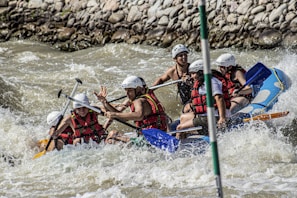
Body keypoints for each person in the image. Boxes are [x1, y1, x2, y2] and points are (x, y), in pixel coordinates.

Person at [94, 76, 168, 144]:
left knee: (112, 136)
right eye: (126, 90)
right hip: (155, 136)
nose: (127, 94)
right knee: (113, 135)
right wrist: (104, 102)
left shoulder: (140, 100)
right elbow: (122, 117)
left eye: (130, 90)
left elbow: (139, 115)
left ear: (139, 89)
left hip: (151, 140)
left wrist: (114, 114)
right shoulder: (141, 98)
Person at [176, 59, 228, 139]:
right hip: (206, 115)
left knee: (180, 128)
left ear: (200, 72)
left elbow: (219, 98)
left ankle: (178, 149)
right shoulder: (202, 82)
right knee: (183, 117)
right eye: (191, 74)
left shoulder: (211, 81)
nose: (192, 76)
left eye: (193, 74)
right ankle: (186, 141)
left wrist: (222, 118)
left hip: (214, 116)